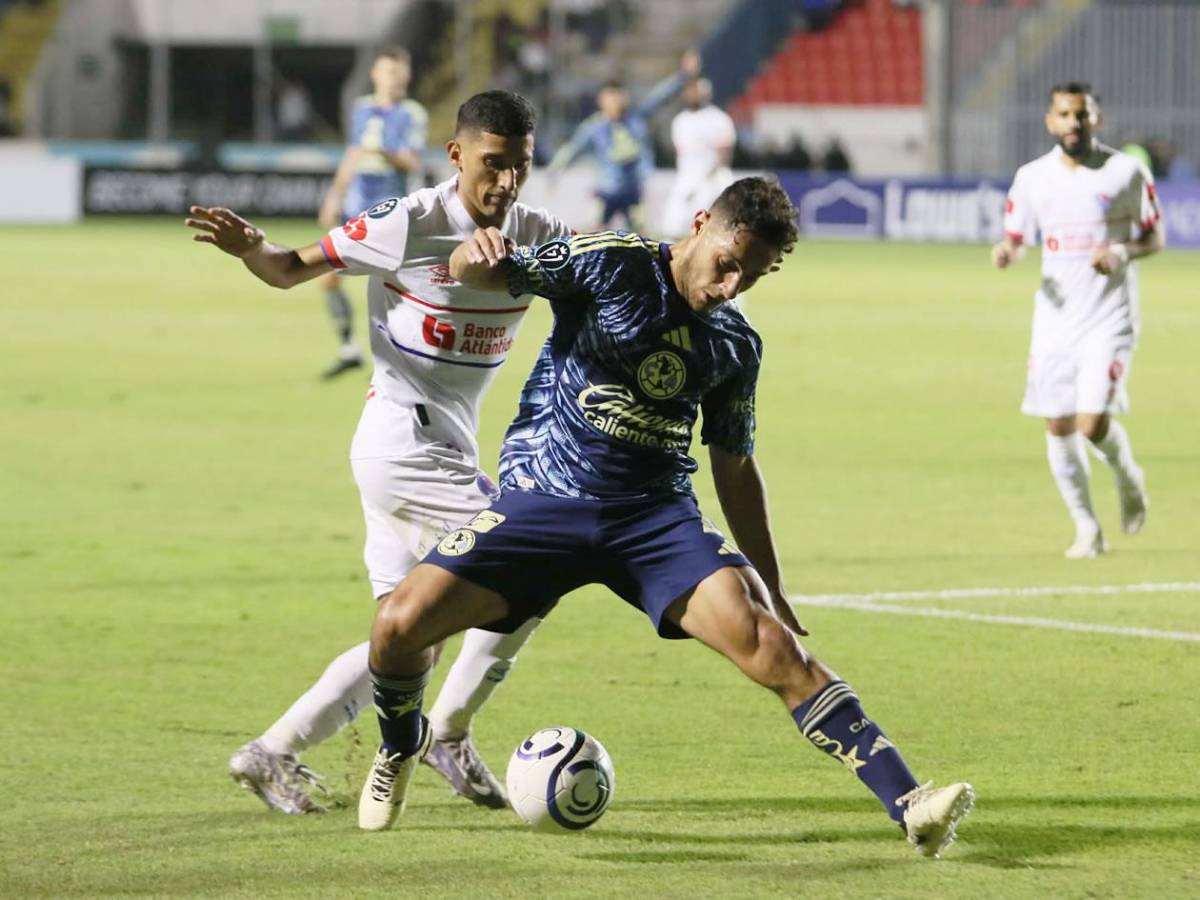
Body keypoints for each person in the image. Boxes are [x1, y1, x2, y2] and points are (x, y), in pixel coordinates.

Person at [356, 176, 975, 859]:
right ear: (702, 222)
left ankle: (913, 802)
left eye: (754, 276)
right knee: (397, 627)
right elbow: (486, 269)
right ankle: (401, 742)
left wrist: (773, 585)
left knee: (773, 648)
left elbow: (735, 468)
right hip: (542, 503)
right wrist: (475, 256)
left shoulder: (735, 345)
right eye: (729, 262)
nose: (733, 285)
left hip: (653, 522)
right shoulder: (610, 260)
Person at [185, 91, 572, 815]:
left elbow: (601, 277)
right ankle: (448, 733)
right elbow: (289, 268)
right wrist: (252, 249)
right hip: (404, 447)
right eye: (493, 164)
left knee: (409, 641)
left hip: (432, 446)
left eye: (519, 166)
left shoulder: (539, 231)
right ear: (455, 155)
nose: (507, 182)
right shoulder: (406, 224)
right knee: (537, 563)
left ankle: (271, 752)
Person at [991, 82, 1162, 558]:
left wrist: (1122, 252)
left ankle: (1129, 480)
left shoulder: (1126, 172)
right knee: (1059, 426)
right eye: (1065, 115)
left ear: (1096, 119)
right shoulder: (1032, 177)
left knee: (1091, 422)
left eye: (1082, 115)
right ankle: (1087, 527)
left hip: (1109, 317)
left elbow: (1154, 237)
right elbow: (1018, 237)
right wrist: (1009, 251)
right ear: (1051, 121)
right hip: (1055, 320)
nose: (1074, 123)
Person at [316, 47, 429, 379]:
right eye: (387, 72)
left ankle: (403, 356)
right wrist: (334, 196)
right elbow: (352, 152)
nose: (393, 78)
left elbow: (412, 162)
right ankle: (350, 348)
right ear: (375, 75)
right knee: (328, 279)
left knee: (390, 287)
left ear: (406, 76)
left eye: (398, 72)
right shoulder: (362, 109)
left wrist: (383, 150)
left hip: (390, 208)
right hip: (354, 206)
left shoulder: (412, 113)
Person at [548, 50, 701, 230]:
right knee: (595, 235)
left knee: (641, 237)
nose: (615, 101)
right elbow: (572, 149)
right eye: (610, 96)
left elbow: (660, 97)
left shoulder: (636, 117)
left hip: (634, 191)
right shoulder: (594, 127)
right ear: (601, 100)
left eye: (618, 95)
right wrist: (554, 171)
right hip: (607, 191)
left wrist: (683, 76)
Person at [660, 77, 737, 238]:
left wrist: (706, 180)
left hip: (712, 177)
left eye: (697, 91)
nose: (693, 95)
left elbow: (724, 154)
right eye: (690, 91)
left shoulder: (718, 119)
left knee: (715, 225)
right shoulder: (680, 121)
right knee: (672, 223)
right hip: (687, 177)